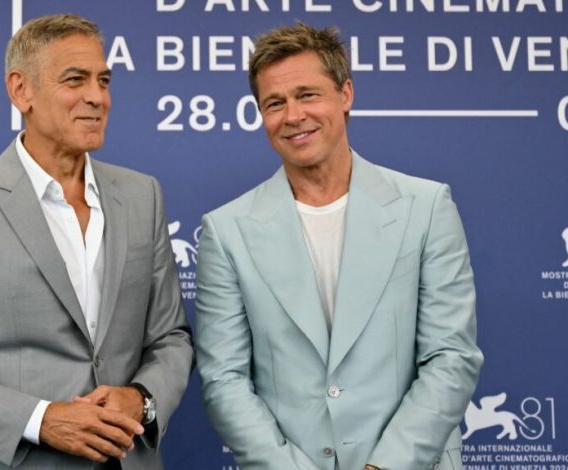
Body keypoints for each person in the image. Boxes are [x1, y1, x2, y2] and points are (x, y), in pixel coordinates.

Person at [0, 14, 193, 470]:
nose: (97, 96)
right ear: (21, 90)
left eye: (103, 80)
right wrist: (40, 419)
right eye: (75, 79)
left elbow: (171, 337)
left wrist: (142, 399)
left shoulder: (142, 195)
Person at [195, 22, 483, 470]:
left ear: (345, 94)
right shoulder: (226, 230)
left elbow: (451, 357)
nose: (293, 116)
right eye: (275, 103)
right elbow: (224, 379)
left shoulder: (426, 207)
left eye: (307, 95)